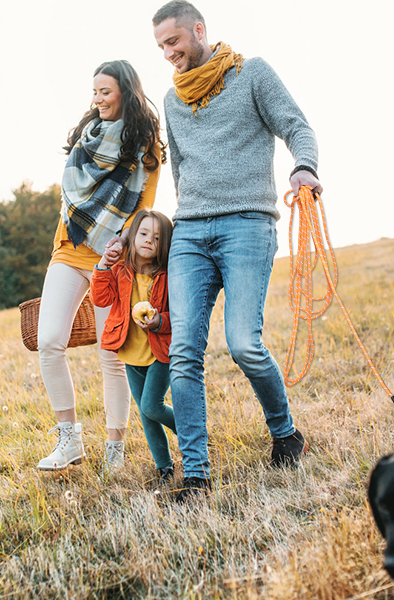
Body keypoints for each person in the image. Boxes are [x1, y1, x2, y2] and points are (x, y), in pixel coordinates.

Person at [152, 1, 323, 501]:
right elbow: (180, 168)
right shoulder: (172, 99)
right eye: (160, 46)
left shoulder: (252, 74)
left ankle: (285, 433)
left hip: (247, 224)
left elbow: (298, 127)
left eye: (173, 41)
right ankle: (197, 475)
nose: (168, 53)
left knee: (244, 343)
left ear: (198, 30)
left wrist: (304, 167)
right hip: (190, 232)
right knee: (184, 352)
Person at [37, 60, 166, 472]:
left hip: (111, 258)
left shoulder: (145, 145)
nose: (97, 99)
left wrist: (120, 246)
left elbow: (143, 207)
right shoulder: (87, 134)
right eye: (94, 91)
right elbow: (73, 195)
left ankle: (114, 450)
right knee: (48, 341)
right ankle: (69, 440)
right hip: (69, 246)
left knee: (112, 354)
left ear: (126, 92)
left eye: (105, 92)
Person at [91, 209, 177, 482]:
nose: (149, 240)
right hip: (131, 353)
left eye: (157, 237)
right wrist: (103, 264)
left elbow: (177, 314)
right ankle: (164, 466)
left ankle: (192, 432)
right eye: (144, 233)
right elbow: (100, 298)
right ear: (132, 236)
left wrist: (159, 321)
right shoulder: (120, 271)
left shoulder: (167, 275)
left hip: (160, 352)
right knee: (146, 414)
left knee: (151, 406)